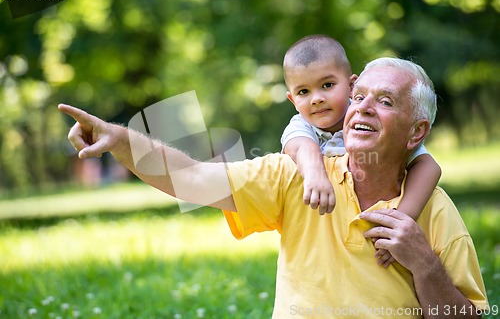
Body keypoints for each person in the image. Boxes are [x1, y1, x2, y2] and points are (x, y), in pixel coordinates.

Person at [59, 57, 488, 318]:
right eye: (358, 96)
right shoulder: (296, 172)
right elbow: (193, 178)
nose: (363, 109)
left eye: (386, 102)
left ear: (417, 133)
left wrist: (425, 265)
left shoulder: (435, 212)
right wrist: (119, 139)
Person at [280, 36, 442, 268]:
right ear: (292, 99)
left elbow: (428, 167)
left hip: (372, 226)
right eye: (303, 92)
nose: (316, 99)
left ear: (351, 85)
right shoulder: (302, 126)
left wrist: (401, 221)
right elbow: (300, 146)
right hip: (324, 227)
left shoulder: (367, 118)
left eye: (327, 85)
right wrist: (315, 174)